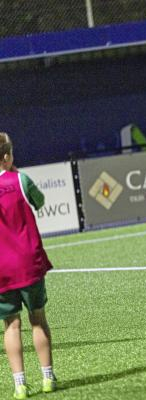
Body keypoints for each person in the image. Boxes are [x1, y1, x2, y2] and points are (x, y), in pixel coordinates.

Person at [0, 132, 56, 399]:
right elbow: (40, 201)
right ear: (7, 156)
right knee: (38, 320)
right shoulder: (20, 179)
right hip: (28, 263)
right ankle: (47, 378)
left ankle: (20, 385)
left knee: (11, 325)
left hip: (1, 269)